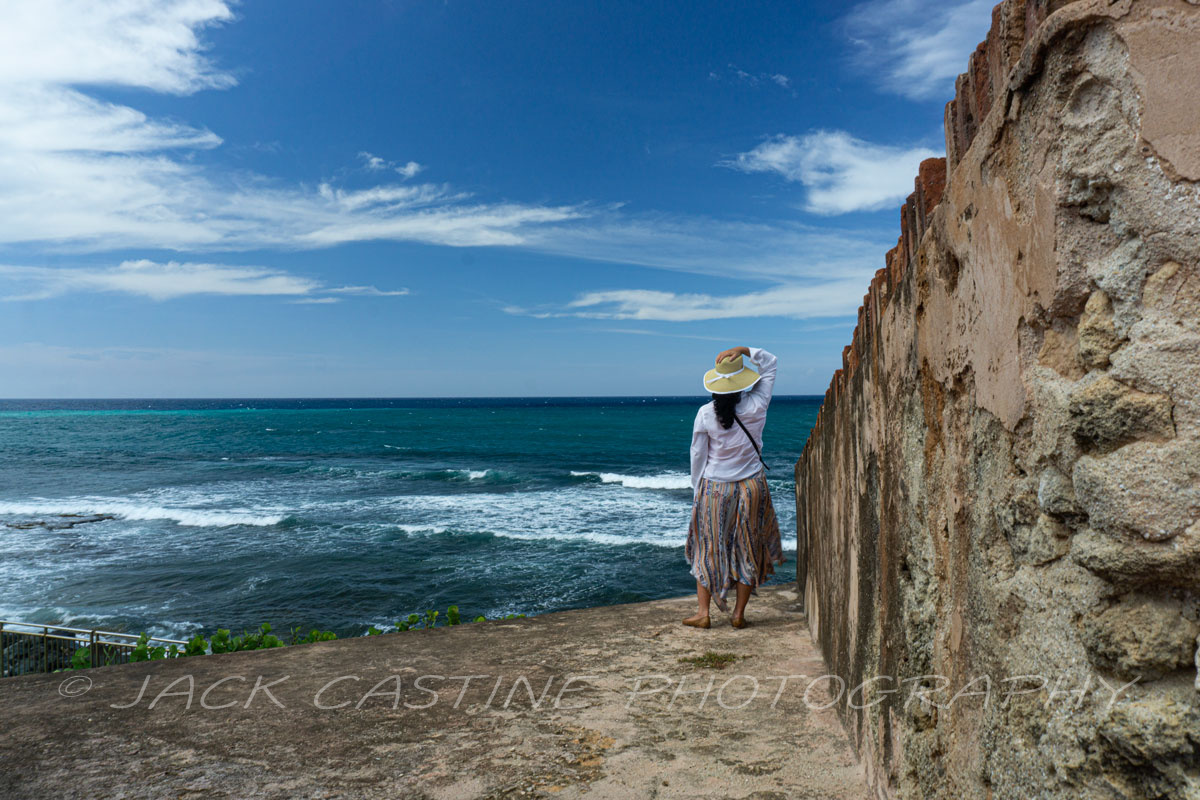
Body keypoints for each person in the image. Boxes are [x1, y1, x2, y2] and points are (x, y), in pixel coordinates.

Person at [683, 346, 783, 629]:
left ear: (716, 385)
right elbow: (771, 363)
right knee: (748, 547)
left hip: (716, 489)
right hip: (752, 486)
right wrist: (744, 349)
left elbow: (697, 455)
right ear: (743, 383)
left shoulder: (705, 414)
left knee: (708, 548)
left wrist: (697, 489)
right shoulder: (757, 404)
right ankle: (738, 613)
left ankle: (704, 614)